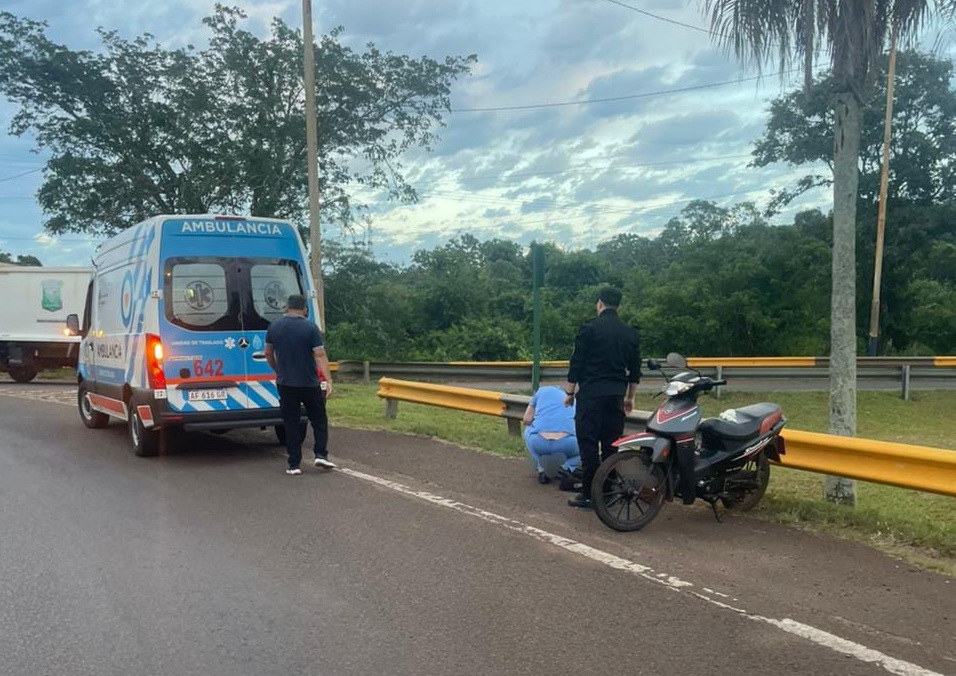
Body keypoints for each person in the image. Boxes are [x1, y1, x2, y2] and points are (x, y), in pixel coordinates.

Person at [563, 287, 641, 509]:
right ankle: (608, 493)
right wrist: (630, 397)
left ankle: (589, 494)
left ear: (599, 303)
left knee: (588, 445)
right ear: (619, 306)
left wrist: (569, 392)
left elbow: (577, 362)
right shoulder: (630, 333)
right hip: (616, 395)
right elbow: (635, 370)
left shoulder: (589, 328)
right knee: (611, 446)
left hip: (591, 395)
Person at [264, 293, 335, 475]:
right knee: (318, 420)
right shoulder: (310, 328)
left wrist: (278, 369)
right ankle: (320, 454)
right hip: (309, 383)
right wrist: (328, 379)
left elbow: (268, 353)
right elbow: (319, 355)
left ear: (287, 307)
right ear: (304, 309)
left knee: (291, 423)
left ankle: (294, 464)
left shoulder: (274, 327)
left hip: (285, 383)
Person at [522, 385, 581, 485]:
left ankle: (541, 468)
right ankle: (567, 468)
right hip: (567, 443)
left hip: (539, 442)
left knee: (528, 430)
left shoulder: (540, 392)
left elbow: (526, 420)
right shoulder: (573, 400)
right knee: (581, 448)